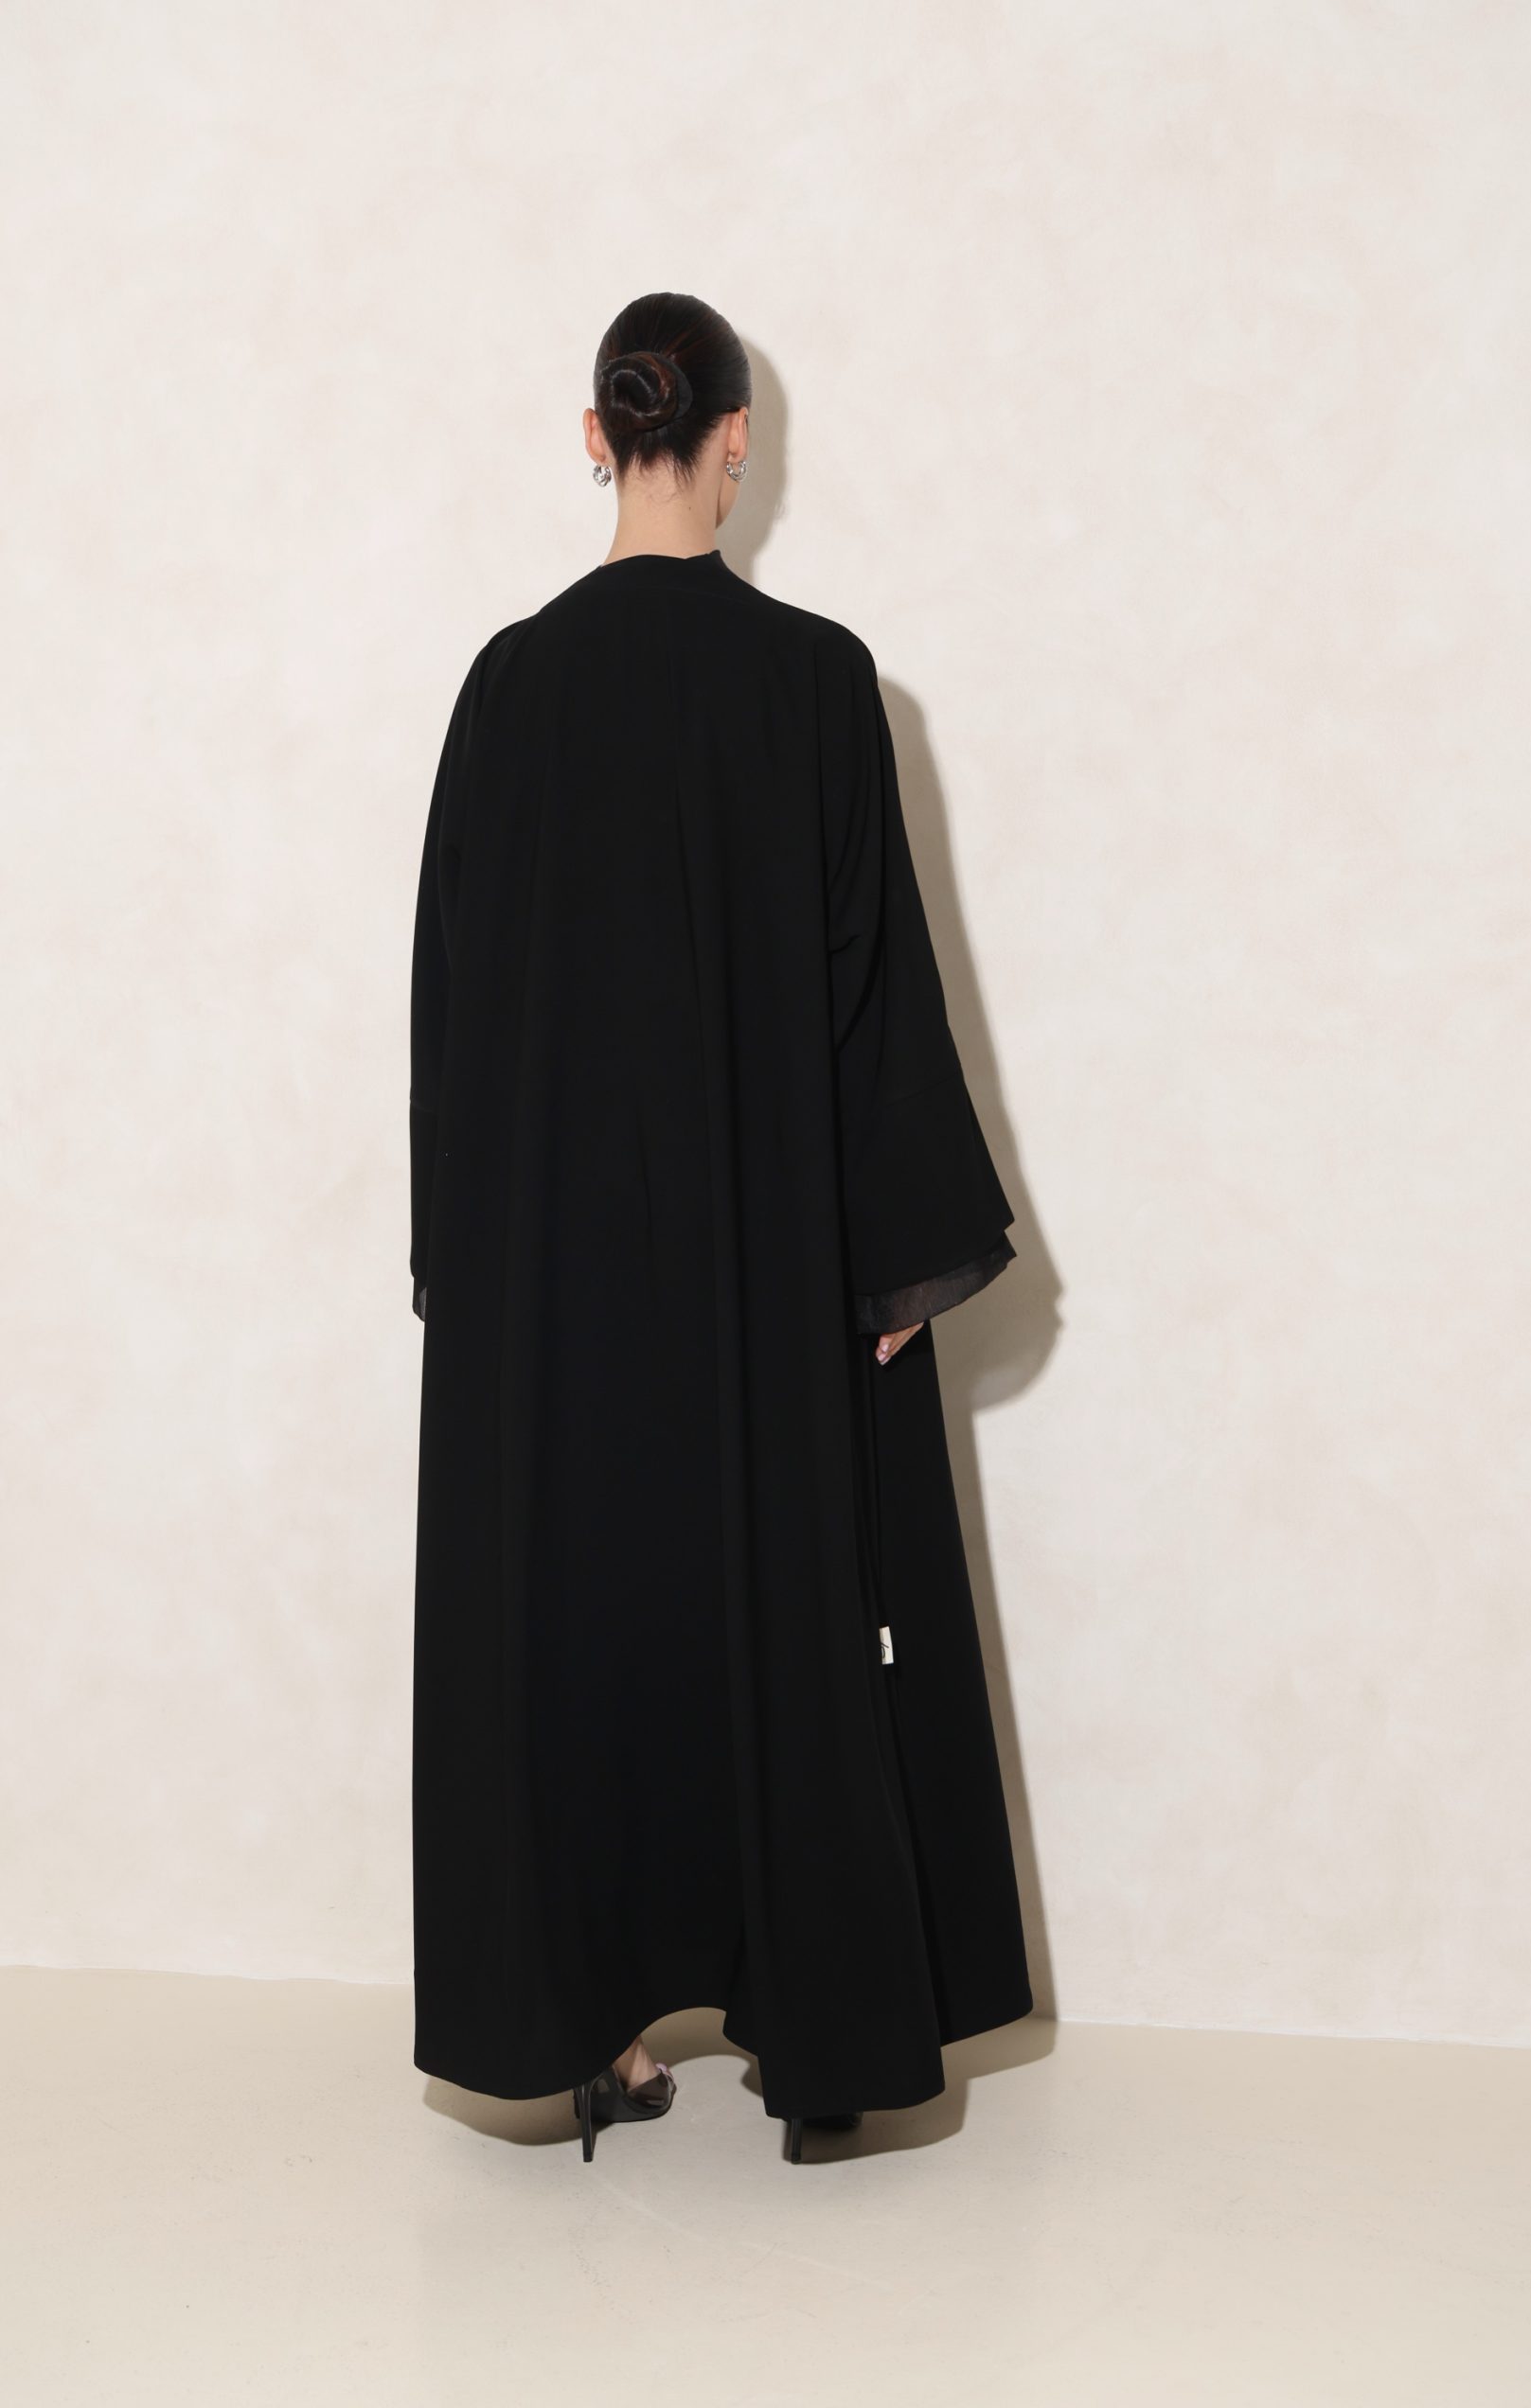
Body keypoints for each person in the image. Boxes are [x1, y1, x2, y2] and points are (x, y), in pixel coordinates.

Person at [409, 291, 1031, 2165]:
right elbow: (873, 998)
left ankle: (582, 2025)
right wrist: (901, 1255)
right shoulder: (818, 684)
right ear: (737, 439)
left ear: (596, 435)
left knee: (580, 1623)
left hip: (557, 1284)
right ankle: (819, 2043)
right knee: (788, 1610)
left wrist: (464, 1261)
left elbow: (452, 1001)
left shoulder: (510, 687)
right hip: (766, 1276)